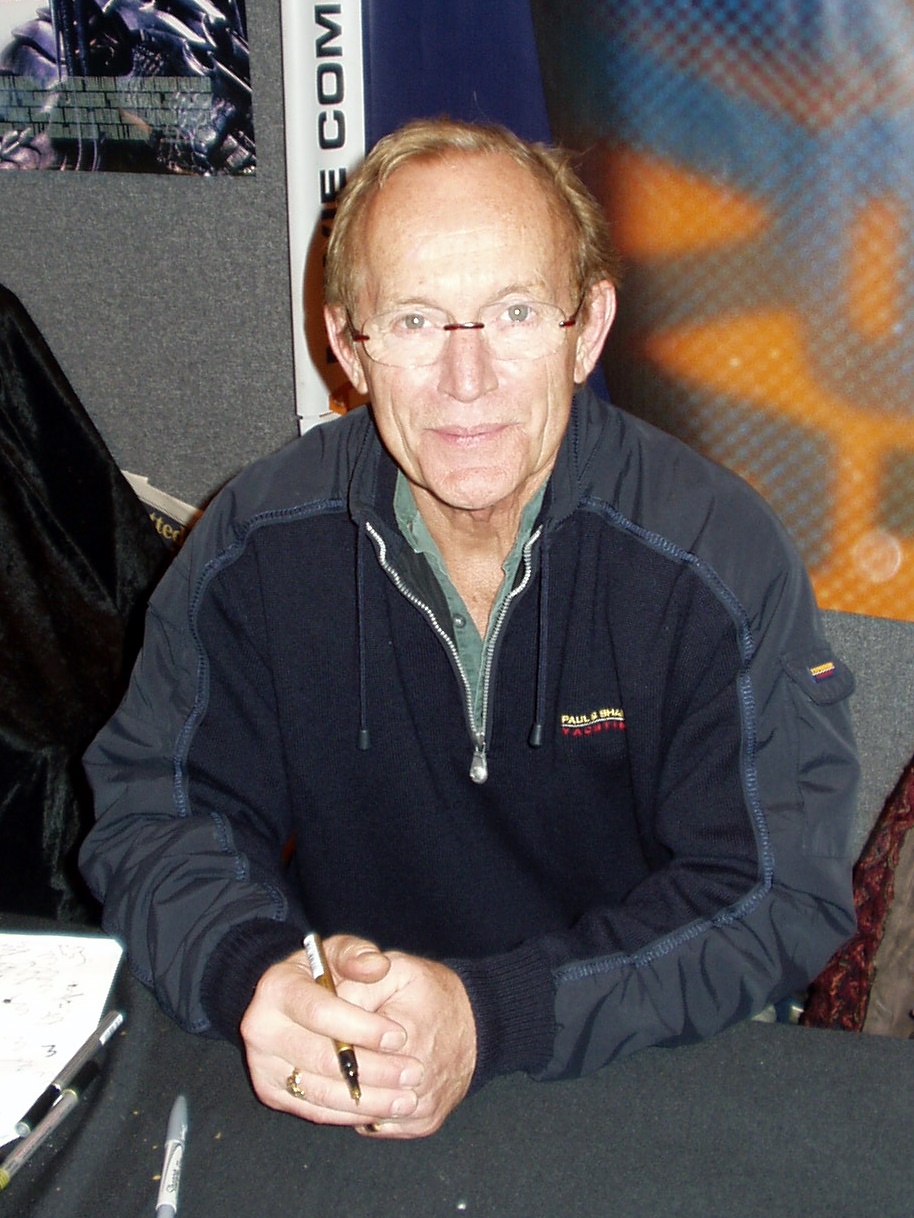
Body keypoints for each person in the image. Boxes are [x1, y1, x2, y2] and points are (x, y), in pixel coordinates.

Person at [79, 117, 859, 1140]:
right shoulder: (257, 544)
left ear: (587, 330)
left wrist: (492, 1016)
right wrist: (257, 971)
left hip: (633, 1055)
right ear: (347, 345)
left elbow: (775, 891)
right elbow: (155, 810)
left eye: (514, 312)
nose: (467, 379)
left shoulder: (712, 559)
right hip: (353, 1056)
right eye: (414, 321)